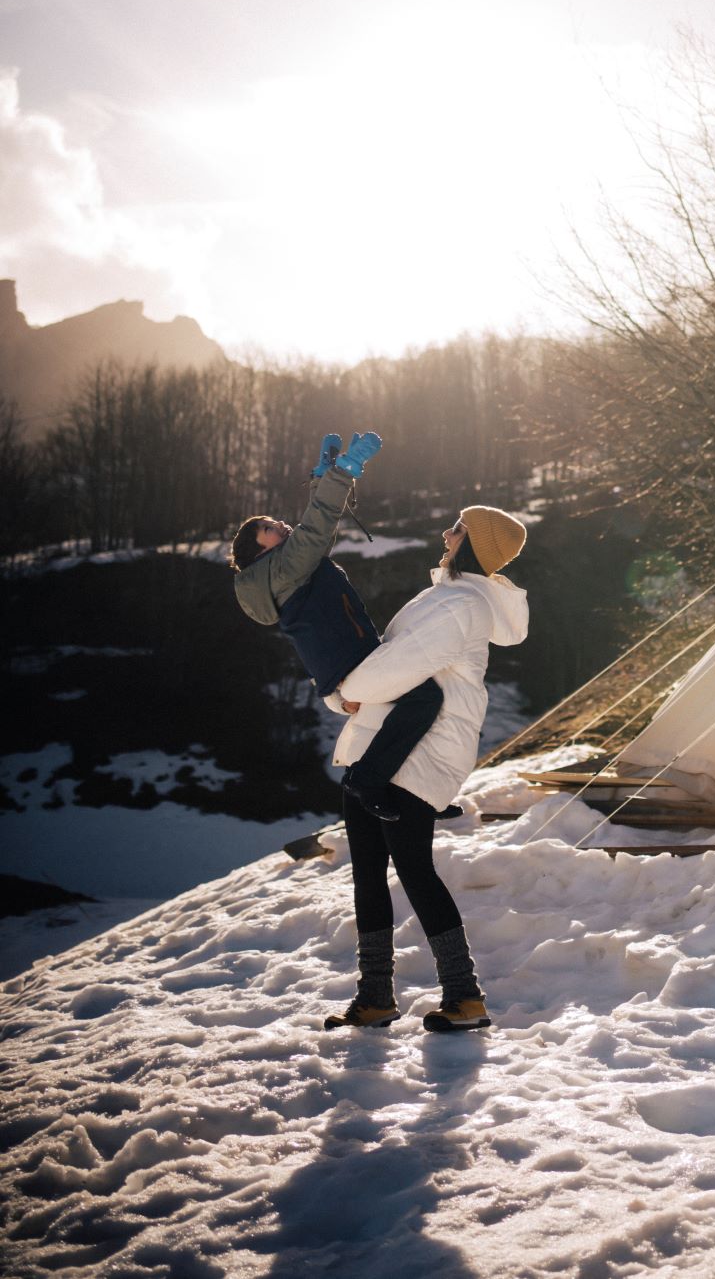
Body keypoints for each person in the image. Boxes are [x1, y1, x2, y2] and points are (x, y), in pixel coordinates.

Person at [322, 503, 528, 1033]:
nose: (446, 532)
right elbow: (385, 661)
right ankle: (375, 997)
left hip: (421, 752)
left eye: (457, 529)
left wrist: (344, 692)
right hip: (381, 744)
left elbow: (397, 667)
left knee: (413, 867)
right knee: (368, 874)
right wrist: (345, 695)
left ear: (475, 544)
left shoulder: (460, 604)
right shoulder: (444, 595)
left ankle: (465, 996)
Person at [231, 432, 442, 820]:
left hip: (349, 663)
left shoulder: (282, 569)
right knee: (426, 699)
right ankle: (368, 782)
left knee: (397, 717)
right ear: (263, 551)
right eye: (272, 528)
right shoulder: (283, 567)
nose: (282, 525)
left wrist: (322, 480)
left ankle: (413, 798)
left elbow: (314, 535)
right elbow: (315, 530)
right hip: (352, 664)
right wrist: (342, 473)